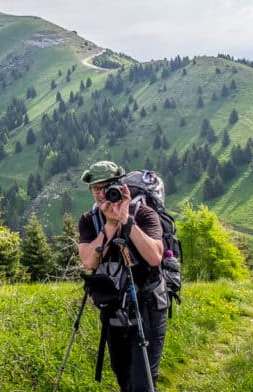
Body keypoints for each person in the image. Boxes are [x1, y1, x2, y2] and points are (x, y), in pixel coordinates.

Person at [77, 160, 167, 392]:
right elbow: (88, 261)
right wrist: (109, 225)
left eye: (105, 187)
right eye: (95, 188)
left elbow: (155, 257)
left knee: (143, 381)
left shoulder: (144, 214)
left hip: (148, 306)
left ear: (119, 186)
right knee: (123, 375)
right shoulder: (89, 220)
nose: (100, 193)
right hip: (114, 309)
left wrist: (126, 221)